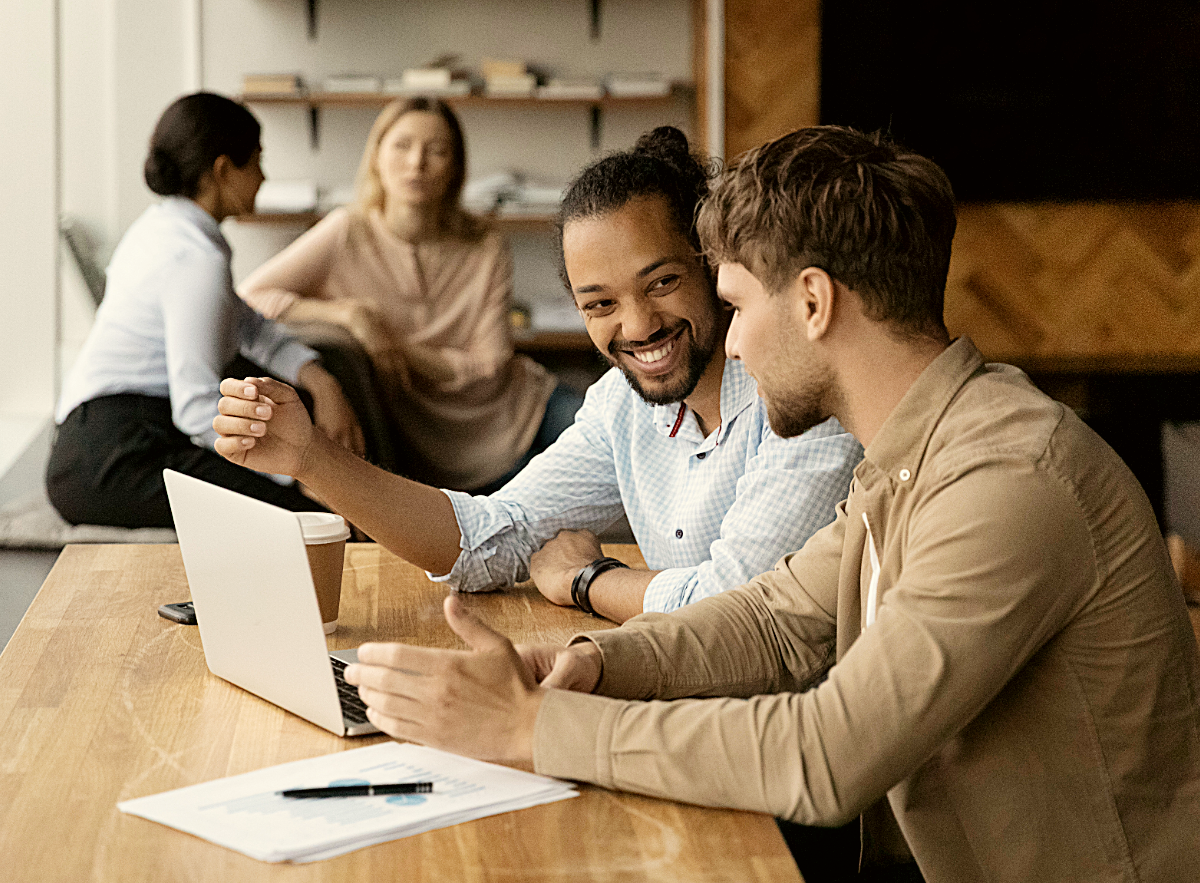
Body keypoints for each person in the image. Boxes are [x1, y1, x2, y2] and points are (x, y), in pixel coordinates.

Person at [334, 126, 1200, 883]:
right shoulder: (919, 450)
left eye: (739, 303)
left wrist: (537, 727)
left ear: (815, 303)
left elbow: (827, 754)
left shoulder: (1005, 479)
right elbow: (776, 620)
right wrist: (590, 666)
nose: (734, 343)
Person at [213, 127, 862, 622]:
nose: (636, 326)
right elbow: (487, 538)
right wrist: (312, 458)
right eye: (600, 304)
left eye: (661, 282)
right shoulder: (623, 405)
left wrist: (589, 580)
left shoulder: (802, 396)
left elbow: (734, 601)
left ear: (712, 266)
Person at [47, 92, 361, 529]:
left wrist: (321, 381)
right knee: (316, 524)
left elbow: (249, 325)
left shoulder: (169, 227)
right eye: (255, 162)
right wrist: (293, 473)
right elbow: (196, 406)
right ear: (222, 170)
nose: (263, 177)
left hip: (103, 439)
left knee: (315, 514)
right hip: (114, 456)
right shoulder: (194, 259)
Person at [239, 96, 574, 493]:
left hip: (518, 413)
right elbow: (249, 297)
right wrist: (348, 316)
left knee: (618, 436)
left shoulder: (485, 244)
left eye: (437, 151)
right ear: (377, 156)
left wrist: (392, 345)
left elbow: (491, 369)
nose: (417, 163)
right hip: (423, 445)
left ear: (455, 168)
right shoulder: (346, 231)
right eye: (402, 146)